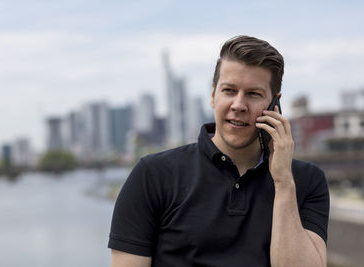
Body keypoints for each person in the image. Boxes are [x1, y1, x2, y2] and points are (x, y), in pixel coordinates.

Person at [108, 35, 329, 267]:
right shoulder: (153, 175)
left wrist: (284, 182)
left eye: (253, 94)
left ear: (275, 105)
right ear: (213, 95)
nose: (238, 105)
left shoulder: (306, 181)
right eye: (229, 90)